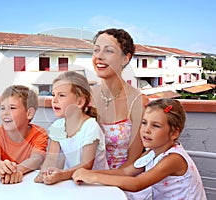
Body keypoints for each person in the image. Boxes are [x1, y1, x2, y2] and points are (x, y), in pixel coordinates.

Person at [72, 98, 207, 200]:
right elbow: (125, 172)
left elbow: (137, 183)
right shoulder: (152, 153)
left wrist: (94, 176)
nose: (146, 130)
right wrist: (87, 173)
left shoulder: (174, 159)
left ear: (174, 133)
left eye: (156, 126)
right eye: (144, 123)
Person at [34, 71, 108, 185]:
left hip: (95, 185)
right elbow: (51, 158)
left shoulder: (90, 127)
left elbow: (86, 164)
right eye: (53, 94)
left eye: (61, 95)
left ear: (79, 102)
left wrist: (62, 175)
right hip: (71, 182)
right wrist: (45, 171)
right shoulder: (58, 126)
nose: (54, 100)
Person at [90, 28, 149, 169]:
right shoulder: (84, 96)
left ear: (125, 59)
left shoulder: (138, 102)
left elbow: (133, 162)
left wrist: (99, 179)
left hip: (121, 183)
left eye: (108, 51)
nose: (99, 56)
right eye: (96, 50)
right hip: (84, 181)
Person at [0, 85, 48, 184]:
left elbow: (37, 158)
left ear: (29, 113)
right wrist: (0, 166)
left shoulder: (39, 134)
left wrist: (18, 170)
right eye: (2, 108)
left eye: (12, 108)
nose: (5, 113)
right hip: (3, 184)